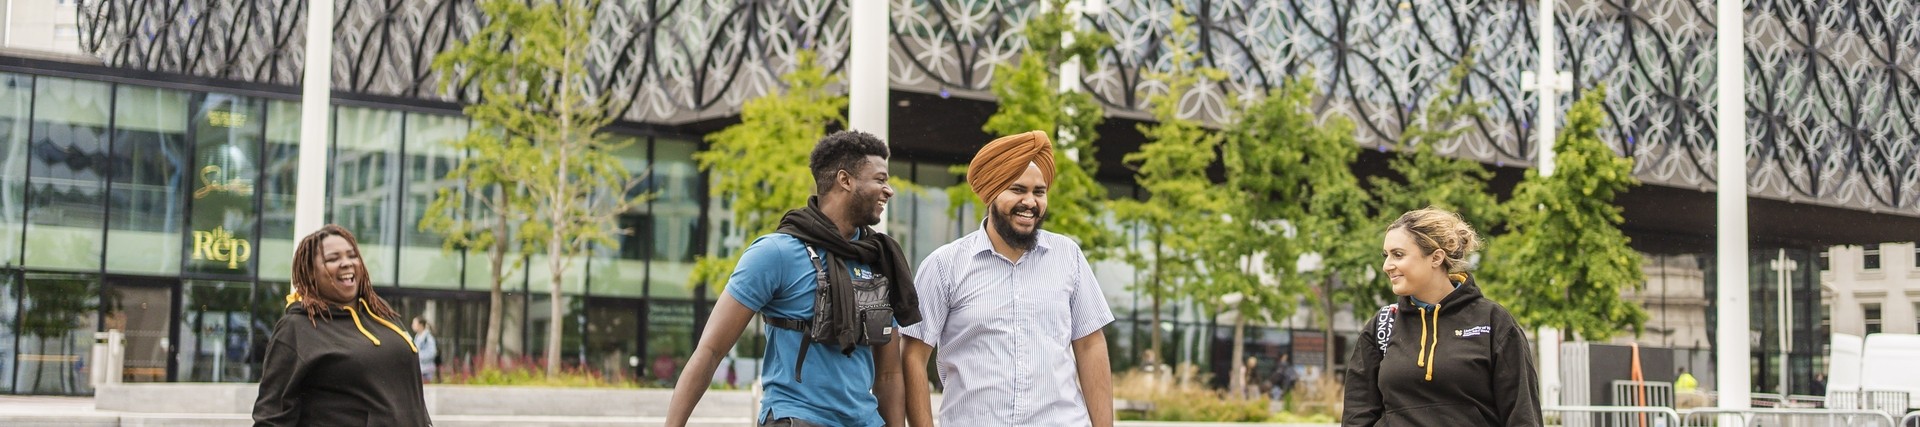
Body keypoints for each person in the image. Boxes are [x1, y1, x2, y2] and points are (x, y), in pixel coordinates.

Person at [666, 130, 921, 427]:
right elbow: (710, 351)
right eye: (879, 179)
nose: (888, 189)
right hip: (796, 417)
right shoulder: (775, 253)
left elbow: (889, 374)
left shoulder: (878, 259)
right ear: (845, 180)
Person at [901, 130, 1115, 426]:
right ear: (991, 193)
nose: (1030, 202)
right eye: (1017, 190)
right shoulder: (944, 265)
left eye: (1039, 192)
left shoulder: (1068, 256)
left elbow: (1091, 346)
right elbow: (913, 355)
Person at [1342, 208, 1539, 426]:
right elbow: (1357, 417)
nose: (1387, 266)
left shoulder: (1493, 322)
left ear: (1436, 257)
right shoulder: (1382, 326)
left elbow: (1522, 415)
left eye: (1398, 254)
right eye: (1386, 255)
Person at [253, 224, 430, 426]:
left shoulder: (382, 313)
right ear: (311, 273)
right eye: (333, 259)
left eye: (352, 255)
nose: (346, 263)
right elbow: (271, 416)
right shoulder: (296, 327)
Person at [412, 317, 437, 382]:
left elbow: (432, 353)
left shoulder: (428, 338)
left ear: (420, 325)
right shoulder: (417, 337)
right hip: (420, 369)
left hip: (426, 370)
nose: (412, 325)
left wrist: (418, 356)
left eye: (414, 323)